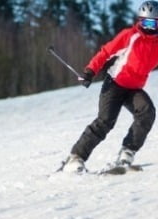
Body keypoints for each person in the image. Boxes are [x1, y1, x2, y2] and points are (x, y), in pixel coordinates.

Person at [62, 0, 158, 172]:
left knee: (147, 112)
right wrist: (90, 71)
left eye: (153, 23)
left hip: (133, 89)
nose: (149, 27)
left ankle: (127, 152)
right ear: (139, 20)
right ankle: (75, 157)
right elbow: (106, 52)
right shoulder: (130, 36)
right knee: (105, 121)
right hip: (114, 84)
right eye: (145, 22)